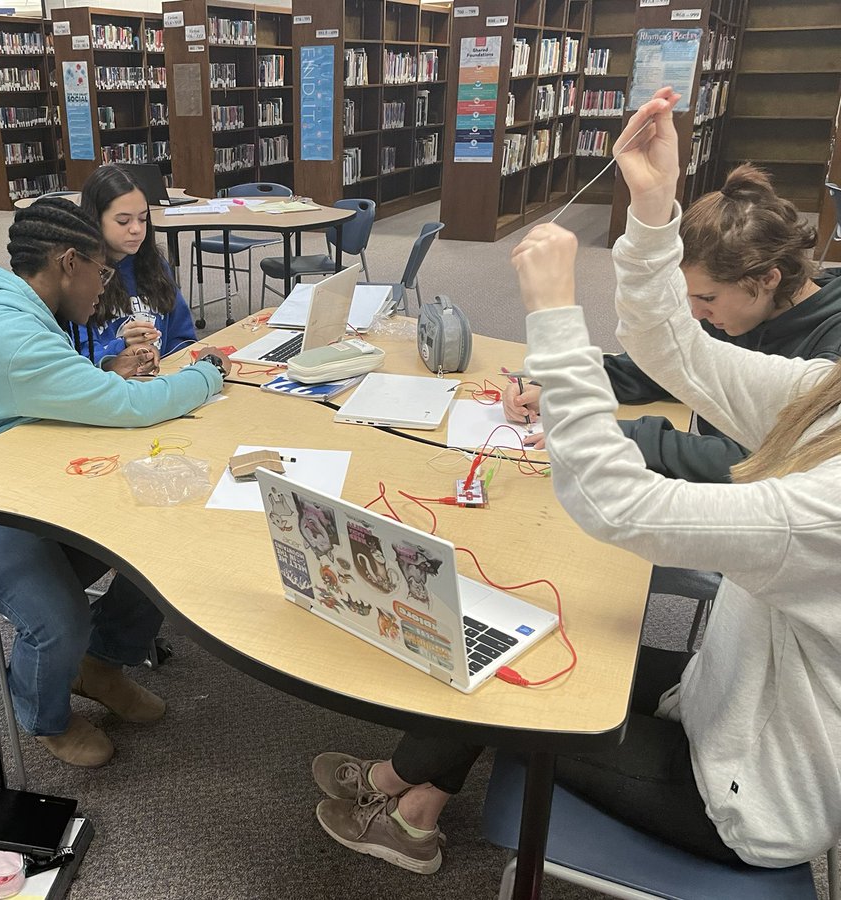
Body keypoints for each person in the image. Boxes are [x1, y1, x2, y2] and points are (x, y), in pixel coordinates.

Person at [311, 87, 841, 874]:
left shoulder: (826, 504)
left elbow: (614, 502)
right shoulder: (824, 397)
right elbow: (676, 351)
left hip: (742, 794)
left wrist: (555, 315)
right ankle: (405, 794)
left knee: (509, 668)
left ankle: (401, 799)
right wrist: (654, 210)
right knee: (532, 631)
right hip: (720, 701)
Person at [0, 199, 234, 767]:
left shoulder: (26, 315)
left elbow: (49, 396)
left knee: (154, 543)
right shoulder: (13, 333)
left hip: (15, 482)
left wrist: (101, 376)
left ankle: (99, 665)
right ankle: (44, 716)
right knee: (58, 619)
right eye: (101, 273)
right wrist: (209, 373)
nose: (103, 290)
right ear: (68, 262)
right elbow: (127, 407)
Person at [502, 165, 841, 483]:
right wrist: (561, 385)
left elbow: (763, 459)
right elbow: (661, 367)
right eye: (689, 297)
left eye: (707, 298)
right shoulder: (742, 310)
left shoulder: (829, 354)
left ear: (768, 278)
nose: (695, 314)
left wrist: (616, 437)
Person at [71, 164, 198, 371]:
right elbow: (79, 361)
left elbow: (182, 339)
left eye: (143, 218)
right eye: (123, 221)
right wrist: (121, 346)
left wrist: (174, 366)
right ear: (95, 220)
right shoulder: (79, 276)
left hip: (162, 382)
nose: (136, 229)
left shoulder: (155, 265)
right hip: (111, 388)